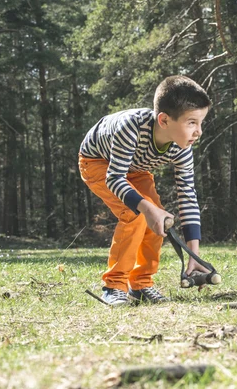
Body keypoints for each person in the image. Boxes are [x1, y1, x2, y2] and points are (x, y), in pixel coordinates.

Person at [78, 75, 211, 305]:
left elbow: (187, 195)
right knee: (137, 213)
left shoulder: (182, 148)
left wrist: (194, 254)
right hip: (99, 162)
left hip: (135, 169)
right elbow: (115, 177)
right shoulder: (130, 127)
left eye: (201, 123)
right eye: (191, 123)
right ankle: (114, 285)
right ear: (164, 120)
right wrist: (147, 208)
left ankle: (141, 284)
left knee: (158, 218)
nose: (198, 131)